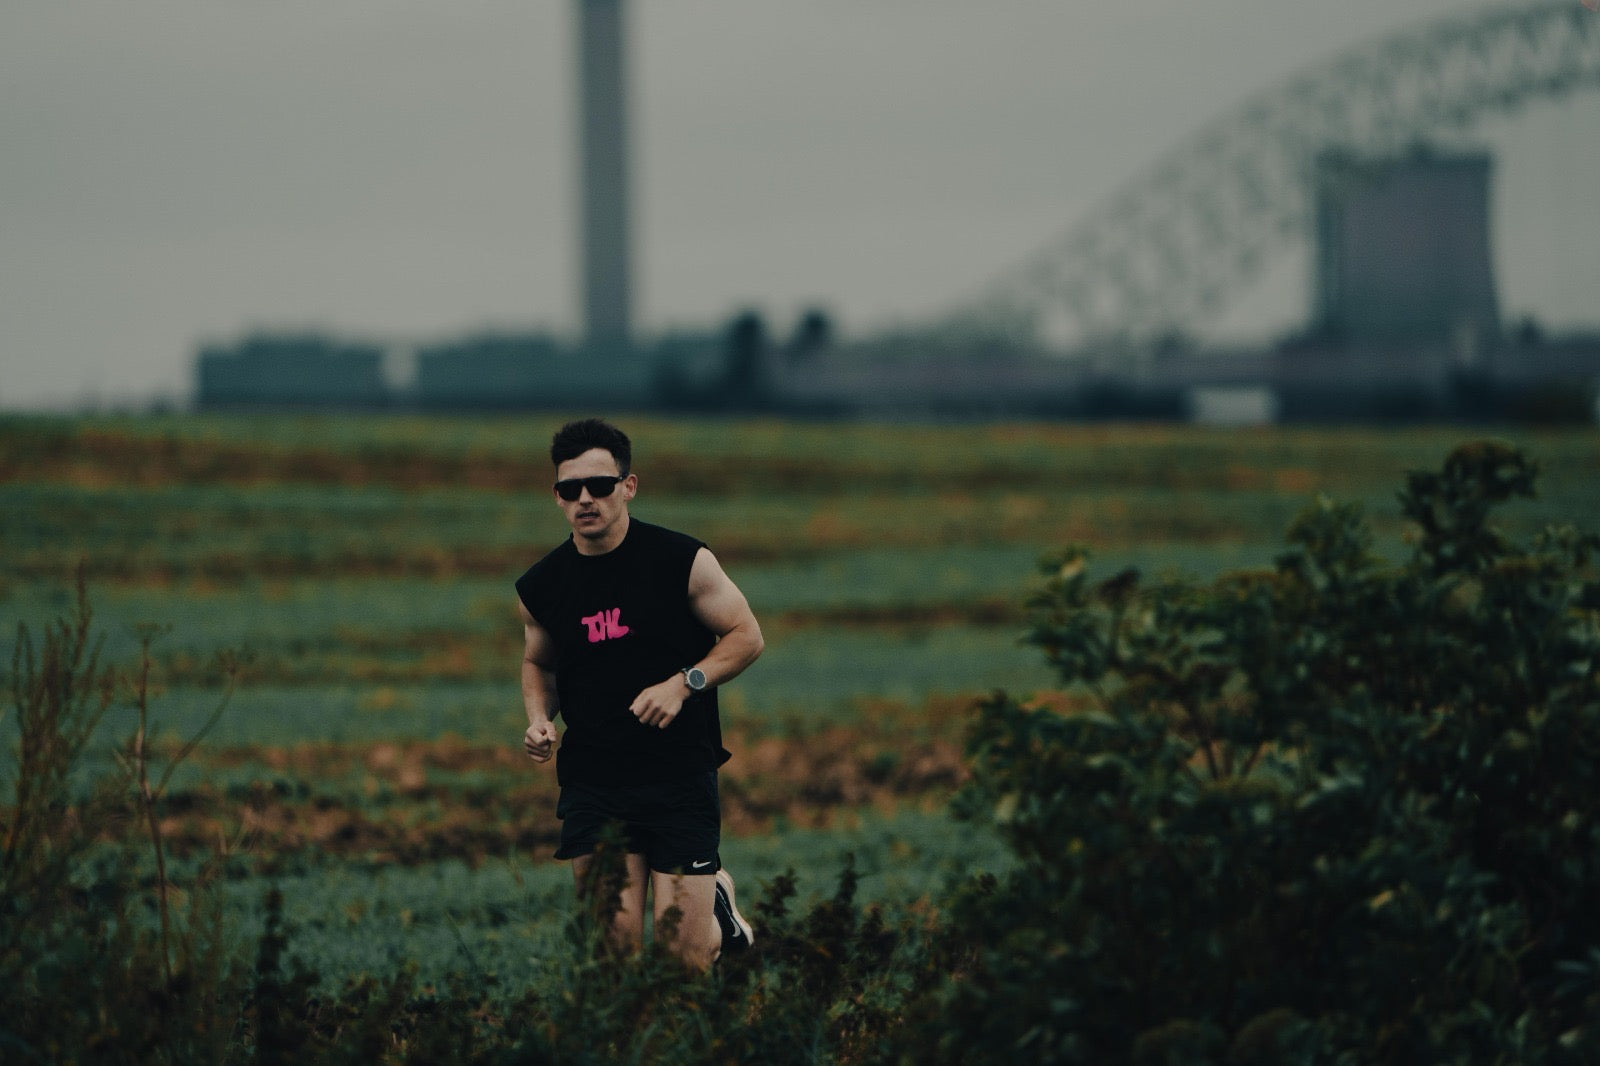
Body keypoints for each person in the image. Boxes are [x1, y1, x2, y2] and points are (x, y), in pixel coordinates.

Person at [516, 417, 764, 970]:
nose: (585, 499)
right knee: (611, 958)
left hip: (677, 774)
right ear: (556, 496)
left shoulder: (682, 561)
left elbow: (747, 636)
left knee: (683, 964)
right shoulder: (542, 586)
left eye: (599, 485)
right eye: (570, 489)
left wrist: (685, 682)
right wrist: (538, 719)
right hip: (594, 781)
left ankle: (717, 911)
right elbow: (539, 663)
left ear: (628, 486)